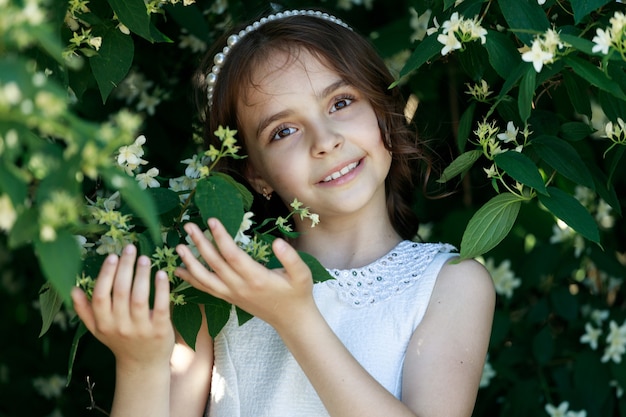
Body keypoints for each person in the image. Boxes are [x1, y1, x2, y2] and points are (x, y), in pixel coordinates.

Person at [71, 9, 495, 417]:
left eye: (341, 102)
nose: (324, 140)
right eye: (284, 131)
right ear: (256, 174)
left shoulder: (450, 283)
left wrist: (295, 319)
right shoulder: (219, 285)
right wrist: (139, 365)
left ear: (384, 108)